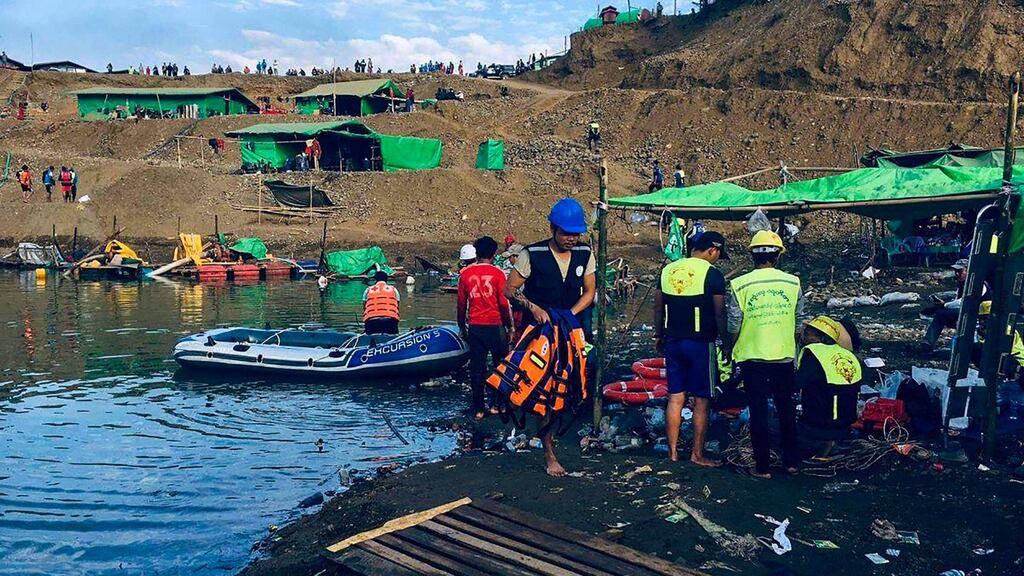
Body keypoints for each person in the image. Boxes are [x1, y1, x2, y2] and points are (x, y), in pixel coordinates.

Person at [504, 198, 596, 477]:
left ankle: (562, 431)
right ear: (553, 229)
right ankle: (549, 453)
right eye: (566, 233)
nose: (571, 239)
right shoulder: (532, 254)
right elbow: (509, 289)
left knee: (575, 383)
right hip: (540, 332)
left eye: (575, 234)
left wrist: (569, 315)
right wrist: (533, 308)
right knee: (544, 389)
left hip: (570, 329)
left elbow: (589, 291)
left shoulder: (584, 253)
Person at [727, 230, 805, 479]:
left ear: (753, 255)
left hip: (753, 357)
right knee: (786, 409)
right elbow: (799, 321)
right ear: (778, 255)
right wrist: (791, 342)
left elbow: (733, 323)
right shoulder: (792, 283)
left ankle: (763, 468)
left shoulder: (740, 284)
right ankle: (791, 463)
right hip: (784, 355)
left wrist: (731, 345)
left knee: (758, 411)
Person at [654, 231, 730, 466]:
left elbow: (658, 307)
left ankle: (672, 453)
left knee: (675, 397)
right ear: (712, 250)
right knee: (702, 400)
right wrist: (726, 343)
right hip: (700, 344)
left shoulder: (668, 270)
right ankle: (697, 454)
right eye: (718, 255)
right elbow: (720, 312)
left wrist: (658, 335)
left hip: (673, 341)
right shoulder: (713, 274)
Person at [457, 236, 514, 420]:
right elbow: (503, 304)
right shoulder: (498, 274)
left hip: (475, 326)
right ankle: (498, 405)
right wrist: (509, 326)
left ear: (476, 253)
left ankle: (479, 409)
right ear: (494, 253)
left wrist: (461, 326)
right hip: (496, 326)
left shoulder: (465, 275)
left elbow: (461, 304)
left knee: (477, 369)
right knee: (501, 366)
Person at [796, 316, 862, 458]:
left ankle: (823, 446)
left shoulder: (815, 355)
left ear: (821, 338)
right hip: (846, 425)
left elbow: (795, 384)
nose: (803, 337)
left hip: (820, 426)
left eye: (807, 334)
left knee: (772, 427)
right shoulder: (848, 355)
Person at [923, 259, 987, 350]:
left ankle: (928, 343)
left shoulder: (978, 284)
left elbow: (965, 302)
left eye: (960, 271)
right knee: (940, 313)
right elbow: (958, 300)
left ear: (968, 271)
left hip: (980, 317)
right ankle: (927, 343)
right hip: (968, 313)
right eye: (956, 271)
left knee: (942, 314)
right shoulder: (963, 284)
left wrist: (945, 305)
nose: (957, 274)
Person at [362, 271, 400, 335]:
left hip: (372, 321)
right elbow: (397, 306)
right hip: (391, 320)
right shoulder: (394, 290)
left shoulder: (368, 290)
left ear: (375, 280)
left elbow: (365, 307)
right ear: (386, 280)